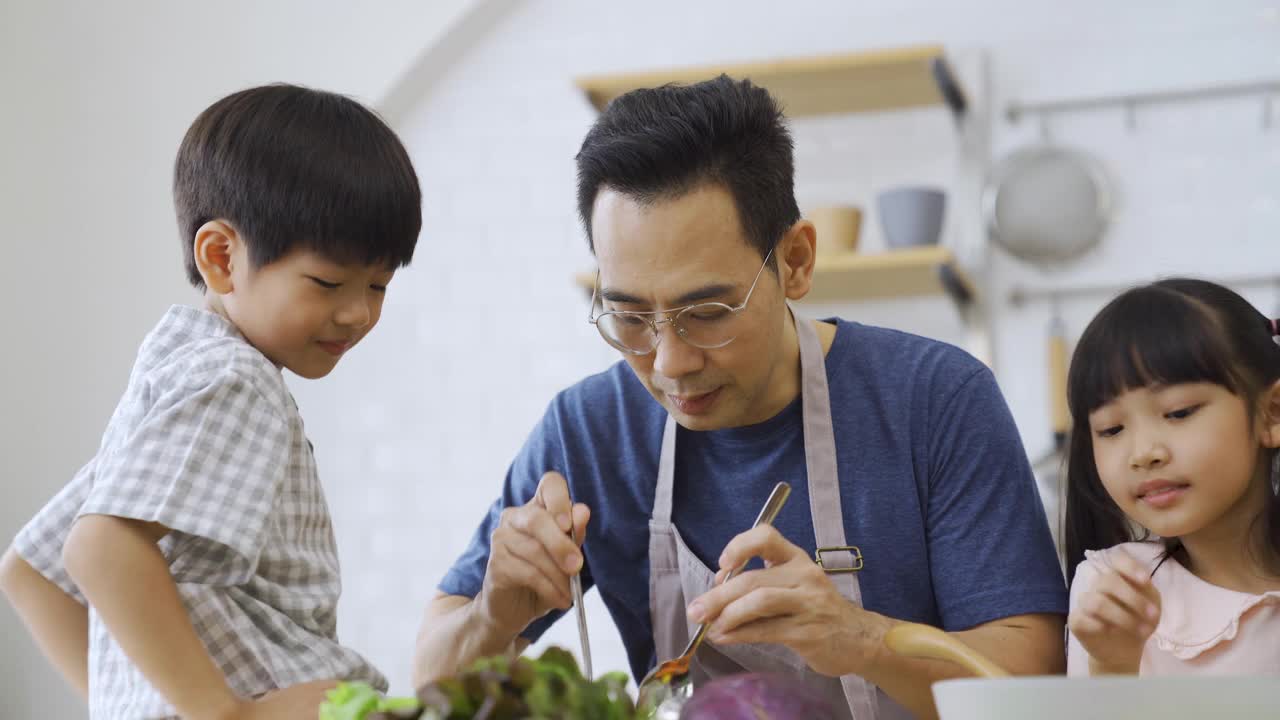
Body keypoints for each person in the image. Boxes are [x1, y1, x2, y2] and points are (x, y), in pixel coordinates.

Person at [414, 75, 1066, 719]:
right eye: (631, 317)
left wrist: (862, 640)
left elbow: (1028, 679)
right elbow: (430, 679)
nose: (669, 362)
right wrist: (494, 611)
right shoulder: (589, 433)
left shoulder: (933, 399)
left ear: (796, 261)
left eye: (709, 310)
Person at [0, 84, 422, 719]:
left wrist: (130, 705)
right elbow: (98, 549)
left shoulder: (177, 375)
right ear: (222, 257)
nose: (358, 312)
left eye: (379, 285)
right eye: (329, 282)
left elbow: (31, 574)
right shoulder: (234, 381)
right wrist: (227, 713)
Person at [1064, 279, 1280, 676]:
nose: (1144, 453)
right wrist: (1111, 665)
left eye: (1178, 413)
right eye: (1111, 430)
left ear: (1272, 413)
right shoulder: (1108, 590)